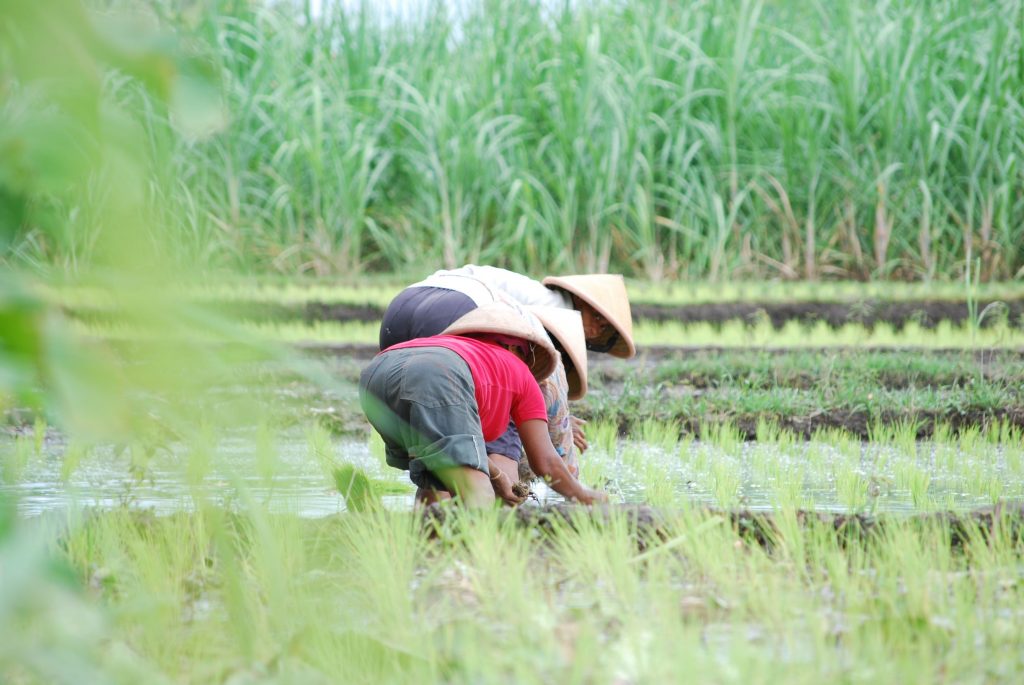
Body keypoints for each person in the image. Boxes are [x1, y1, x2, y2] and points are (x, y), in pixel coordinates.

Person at [378, 265, 635, 483]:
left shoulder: (528, 297)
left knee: (437, 438)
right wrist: (577, 490)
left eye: (604, 332)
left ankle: (433, 526)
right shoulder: (556, 313)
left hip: (400, 312)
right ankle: (496, 521)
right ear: (580, 301)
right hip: (462, 309)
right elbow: (551, 401)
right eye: (598, 320)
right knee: (504, 416)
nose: (595, 332)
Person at [359, 304, 607, 507]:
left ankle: (423, 553)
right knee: (480, 496)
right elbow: (545, 461)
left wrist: (499, 479)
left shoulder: (467, 354)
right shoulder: (518, 370)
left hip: (376, 376)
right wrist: (584, 495)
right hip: (439, 375)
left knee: (438, 479)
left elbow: (459, 447)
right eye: (526, 353)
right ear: (513, 348)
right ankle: (471, 562)